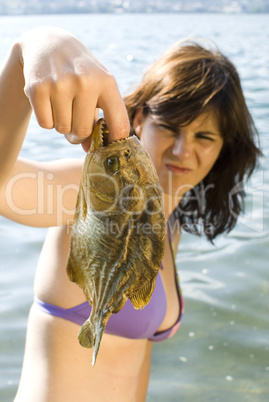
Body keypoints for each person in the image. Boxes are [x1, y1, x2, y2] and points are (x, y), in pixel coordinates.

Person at [0, 27, 262, 402]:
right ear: (137, 119)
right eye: (170, 128)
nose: (182, 151)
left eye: (205, 137)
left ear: (224, 150)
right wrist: (28, 51)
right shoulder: (95, 192)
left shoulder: (167, 226)